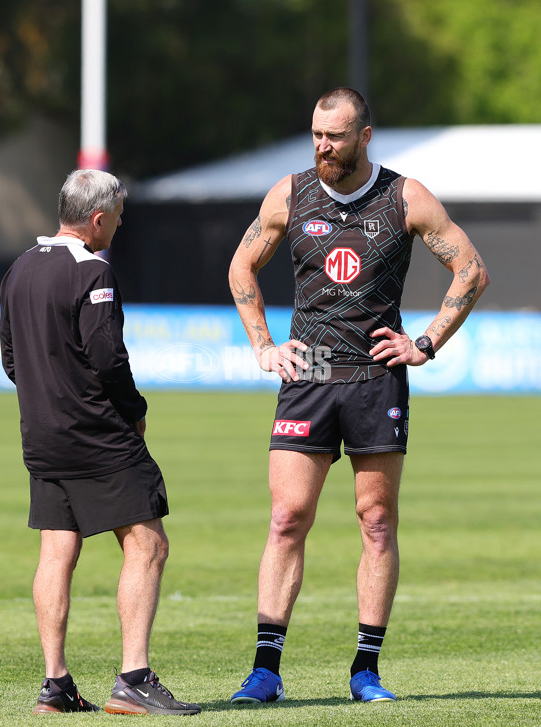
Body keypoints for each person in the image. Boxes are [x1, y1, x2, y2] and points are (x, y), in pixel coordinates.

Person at [228, 87, 490, 704]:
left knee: (376, 522)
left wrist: (424, 343)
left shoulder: (405, 196)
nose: (323, 145)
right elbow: (242, 267)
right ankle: (265, 670)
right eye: (317, 134)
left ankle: (365, 670)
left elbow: (471, 269)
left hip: (376, 377)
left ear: (364, 136)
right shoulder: (288, 194)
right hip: (309, 373)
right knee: (287, 518)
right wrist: (263, 344)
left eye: (336, 135)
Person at [0, 169, 201, 716]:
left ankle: (55, 684)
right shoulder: (93, 269)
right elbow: (108, 356)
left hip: (41, 437)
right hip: (97, 436)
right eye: (117, 214)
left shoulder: (19, 269)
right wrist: (133, 412)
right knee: (148, 545)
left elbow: (11, 361)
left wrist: (49, 400)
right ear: (97, 218)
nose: (119, 222)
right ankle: (134, 679)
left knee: (57, 550)